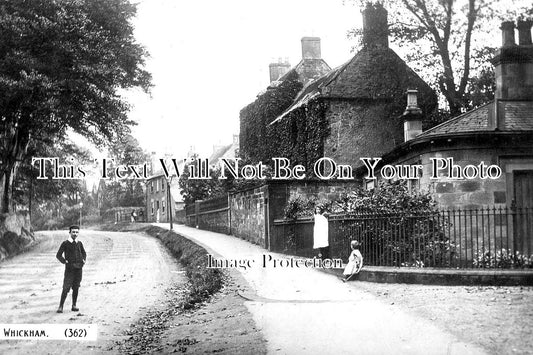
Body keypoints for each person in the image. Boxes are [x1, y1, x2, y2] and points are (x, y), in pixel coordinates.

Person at [56, 225, 86, 313]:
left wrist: (84, 260)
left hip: (78, 269)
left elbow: (84, 253)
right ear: (69, 233)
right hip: (69, 270)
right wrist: (64, 261)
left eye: (77, 232)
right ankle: (61, 306)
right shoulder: (65, 243)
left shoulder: (79, 243)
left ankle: (74, 305)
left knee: (76, 287)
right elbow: (58, 255)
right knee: (66, 287)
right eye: (73, 232)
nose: (75, 234)